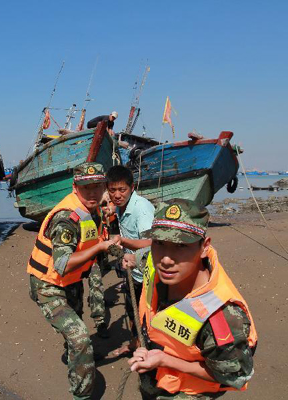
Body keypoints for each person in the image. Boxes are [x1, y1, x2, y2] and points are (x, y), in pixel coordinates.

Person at [128, 199, 258, 400]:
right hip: (154, 380)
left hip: (189, 392)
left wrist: (165, 360)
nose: (166, 259)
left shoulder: (220, 315)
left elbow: (234, 376)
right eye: (160, 243)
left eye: (181, 246)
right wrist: (130, 258)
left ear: (204, 247)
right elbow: (145, 257)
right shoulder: (156, 263)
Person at [27, 162, 120, 400]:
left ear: (104, 187)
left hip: (71, 281)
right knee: (80, 337)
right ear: (74, 187)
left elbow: (94, 245)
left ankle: (78, 358)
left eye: (97, 186)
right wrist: (101, 246)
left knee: (77, 332)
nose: (92, 192)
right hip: (48, 285)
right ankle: (82, 395)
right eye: (86, 187)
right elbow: (62, 263)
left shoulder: (94, 210)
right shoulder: (66, 218)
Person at [105, 165, 154, 355]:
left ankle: (147, 349)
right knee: (131, 309)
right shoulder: (120, 206)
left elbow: (151, 242)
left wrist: (123, 240)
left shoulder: (140, 208)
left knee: (146, 314)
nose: (117, 195)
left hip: (148, 272)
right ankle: (136, 342)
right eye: (112, 190)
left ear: (132, 187)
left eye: (122, 190)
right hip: (133, 270)